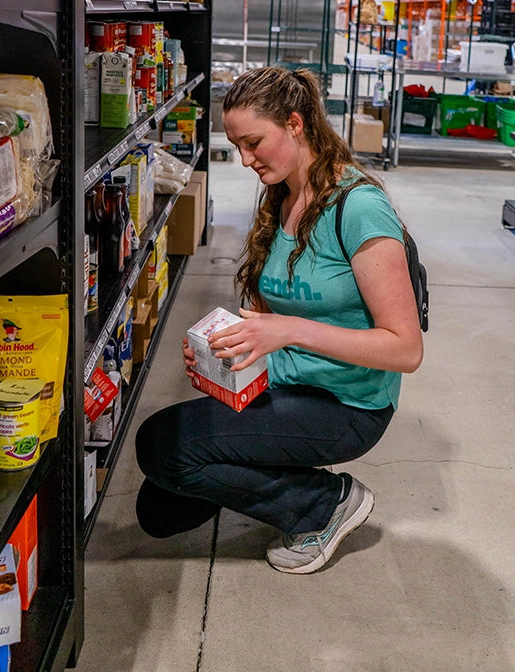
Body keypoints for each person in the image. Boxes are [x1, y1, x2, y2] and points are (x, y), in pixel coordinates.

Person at [135, 66, 422, 574]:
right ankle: (282, 478)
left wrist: (287, 332)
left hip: (347, 405)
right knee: (161, 508)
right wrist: (224, 347)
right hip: (286, 381)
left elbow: (405, 348)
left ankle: (326, 504)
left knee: (163, 448)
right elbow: (272, 312)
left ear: (294, 123)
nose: (245, 160)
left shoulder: (358, 208)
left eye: (253, 143)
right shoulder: (283, 195)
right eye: (237, 146)